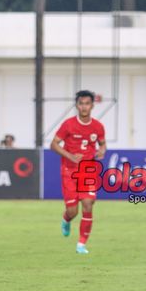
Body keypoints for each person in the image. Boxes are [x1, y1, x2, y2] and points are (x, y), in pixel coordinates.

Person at [50, 90, 106, 255]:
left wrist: (102, 150)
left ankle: (81, 244)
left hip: (87, 171)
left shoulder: (98, 126)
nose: (84, 107)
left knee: (88, 204)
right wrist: (70, 156)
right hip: (69, 170)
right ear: (77, 105)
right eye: (81, 103)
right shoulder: (68, 124)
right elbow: (54, 144)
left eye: (87, 103)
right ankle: (66, 219)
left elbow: (102, 144)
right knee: (73, 211)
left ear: (92, 106)